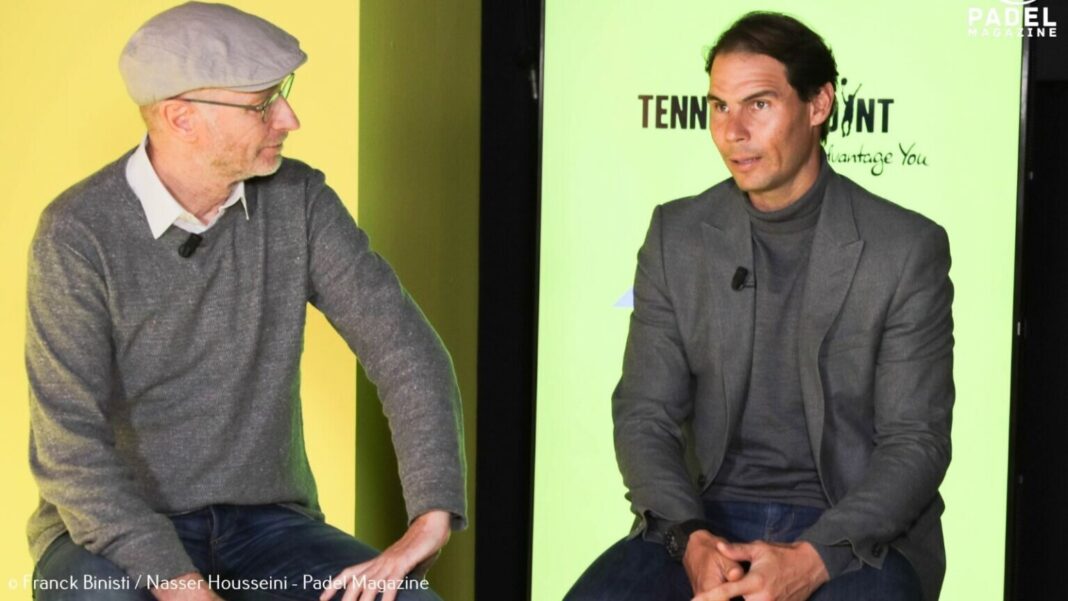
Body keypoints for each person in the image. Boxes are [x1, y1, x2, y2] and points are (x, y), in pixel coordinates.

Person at [25, 3, 466, 600]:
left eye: (282, 94)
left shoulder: (299, 200)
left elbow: (406, 352)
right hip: (106, 535)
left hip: (268, 530)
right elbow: (69, 449)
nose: (289, 118)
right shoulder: (78, 232)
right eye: (262, 104)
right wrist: (180, 583)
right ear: (181, 119)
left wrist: (430, 517)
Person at [566, 11, 953, 601]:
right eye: (719, 106)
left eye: (759, 104)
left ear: (818, 104)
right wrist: (691, 539)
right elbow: (645, 415)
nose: (732, 131)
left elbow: (916, 442)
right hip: (703, 521)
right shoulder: (677, 235)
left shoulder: (904, 248)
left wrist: (814, 558)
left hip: (852, 537)